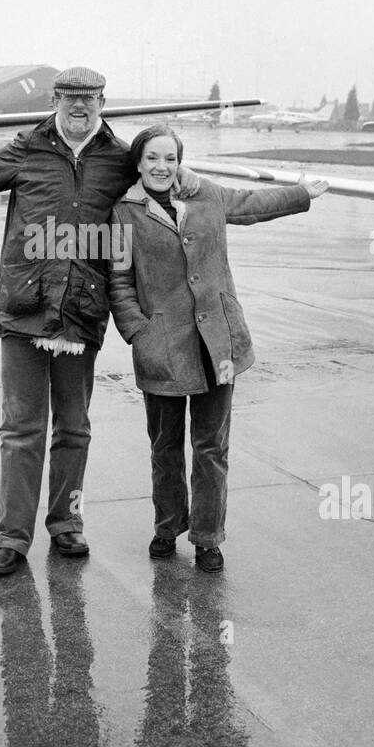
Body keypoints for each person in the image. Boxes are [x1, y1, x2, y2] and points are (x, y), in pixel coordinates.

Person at [0, 68, 200, 576]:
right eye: (70, 99)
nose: (80, 108)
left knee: (73, 428)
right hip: (24, 307)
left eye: (89, 100)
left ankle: (67, 523)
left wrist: (191, 181)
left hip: (82, 312)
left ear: (103, 102)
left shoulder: (120, 158)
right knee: (21, 428)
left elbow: (162, 175)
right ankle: (11, 537)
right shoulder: (28, 149)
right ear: (56, 101)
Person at [108, 124, 327, 572]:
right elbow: (118, 280)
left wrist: (300, 194)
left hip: (217, 343)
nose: (161, 167)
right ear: (138, 162)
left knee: (211, 447)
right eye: (152, 158)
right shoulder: (123, 213)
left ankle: (208, 537)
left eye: (169, 158)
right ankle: (167, 526)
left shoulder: (205, 195)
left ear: (180, 161)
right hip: (162, 347)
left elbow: (250, 205)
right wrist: (138, 331)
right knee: (165, 445)